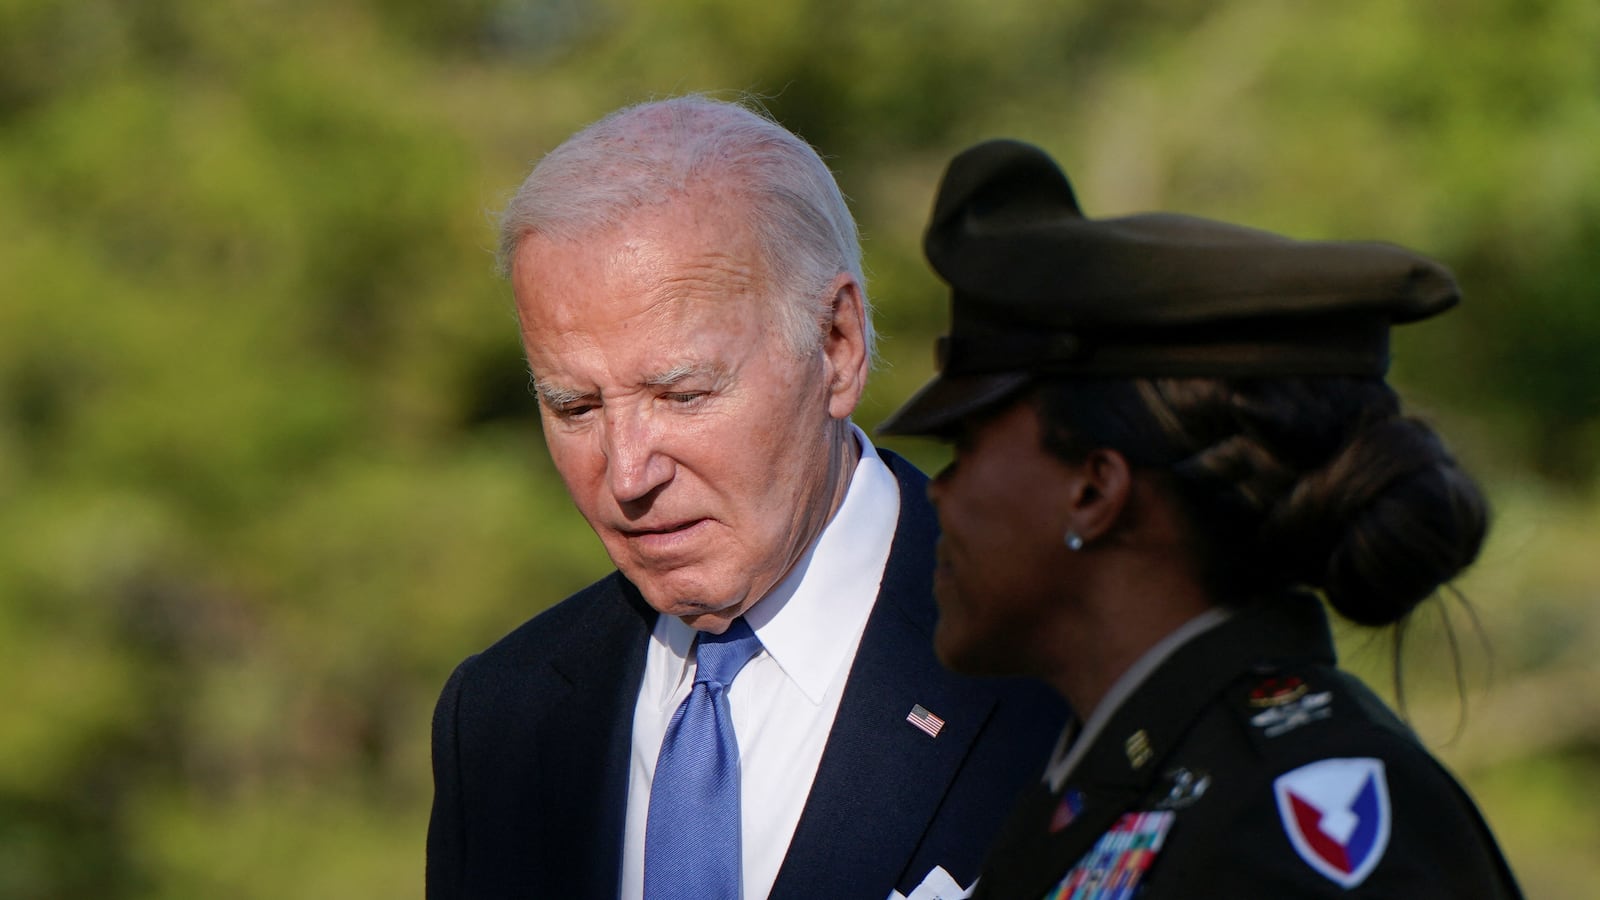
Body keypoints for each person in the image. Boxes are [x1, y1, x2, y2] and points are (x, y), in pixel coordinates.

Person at [425, 97, 1067, 900]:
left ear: (837, 346)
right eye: (575, 409)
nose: (628, 475)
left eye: (684, 394)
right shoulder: (500, 719)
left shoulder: (1064, 657)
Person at [876, 139, 1525, 898]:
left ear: (1094, 489)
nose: (938, 491)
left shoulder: (1300, 819)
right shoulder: (1111, 785)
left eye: (967, 444)